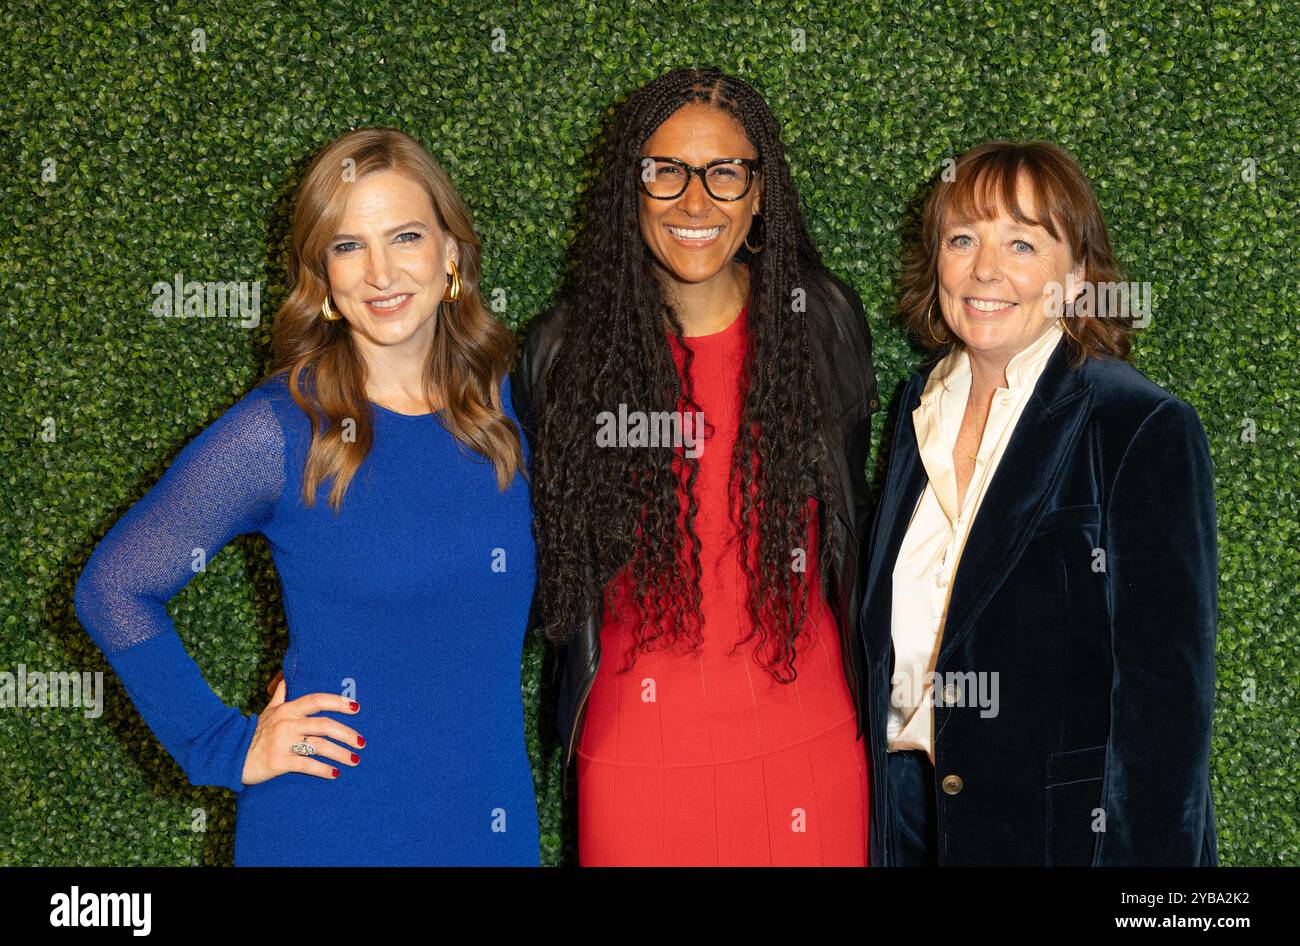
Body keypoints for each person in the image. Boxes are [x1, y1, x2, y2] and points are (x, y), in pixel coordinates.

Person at [73, 127, 540, 865]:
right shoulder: (283, 429)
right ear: (322, 277)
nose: (381, 272)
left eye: (406, 236)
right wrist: (221, 744)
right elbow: (114, 587)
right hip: (328, 826)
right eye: (348, 246)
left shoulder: (513, 408)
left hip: (488, 823)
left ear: (452, 254)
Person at [513, 68, 880, 865]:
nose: (694, 201)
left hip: (809, 747)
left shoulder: (821, 325)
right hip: (635, 758)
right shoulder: (562, 355)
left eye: (724, 173)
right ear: (630, 190)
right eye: (665, 171)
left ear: (759, 197)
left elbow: (856, 525)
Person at [859, 140, 1218, 865]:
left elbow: (1165, 714)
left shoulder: (1138, 426)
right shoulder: (914, 409)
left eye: (1021, 243)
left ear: (1077, 276)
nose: (985, 269)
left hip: (1054, 840)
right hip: (905, 825)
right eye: (963, 239)